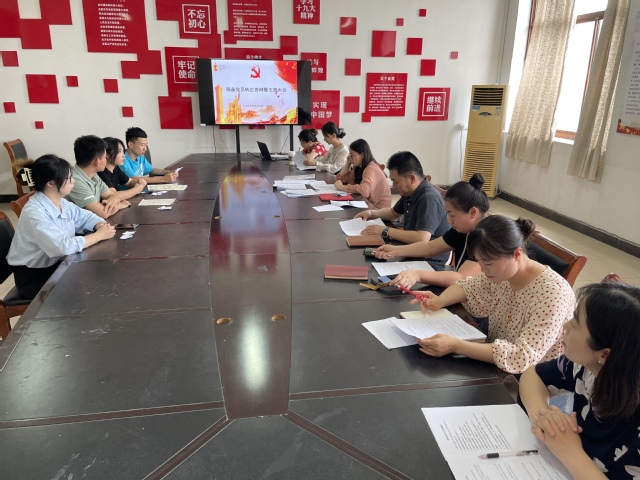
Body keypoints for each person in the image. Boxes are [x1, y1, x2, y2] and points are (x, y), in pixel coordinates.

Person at [409, 215, 575, 373]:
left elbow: (522, 357)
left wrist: (456, 346)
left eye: (488, 263)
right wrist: (440, 300)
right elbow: (468, 287)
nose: (482, 269)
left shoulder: (552, 293)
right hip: (495, 360)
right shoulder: (504, 272)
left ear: (516, 254)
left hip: (533, 378)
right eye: (479, 261)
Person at [520, 283, 640, 479]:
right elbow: (532, 375)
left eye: (575, 323)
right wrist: (542, 416)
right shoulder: (587, 366)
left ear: (604, 354)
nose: (565, 326)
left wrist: (571, 452)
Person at [7, 155, 116, 299]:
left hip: (55, 263)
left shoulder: (60, 202)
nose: (73, 181)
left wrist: (100, 225)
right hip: (34, 277)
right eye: (68, 178)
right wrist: (98, 235)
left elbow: (86, 216)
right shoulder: (35, 213)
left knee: (98, 273)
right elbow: (63, 247)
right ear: (51, 183)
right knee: (91, 286)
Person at [373, 173, 489, 287]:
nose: (449, 221)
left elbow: (462, 278)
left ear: (472, 213)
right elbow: (430, 248)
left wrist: (417, 275)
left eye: (452, 215)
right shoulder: (463, 229)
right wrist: (396, 250)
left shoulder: (487, 236)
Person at [355, 151, 450, 269]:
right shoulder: (410, 192)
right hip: (410, 251)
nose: (394, 185)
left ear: (412, 178)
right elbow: (393, 213)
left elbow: (421, 238)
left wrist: (385, 230)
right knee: (371, 258)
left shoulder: (428, 198)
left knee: (374, 270)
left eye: (396, 181)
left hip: (427, 262)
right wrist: (371, 213)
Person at [66, 135, 131, 218]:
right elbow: (103, 213)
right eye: (105, 158)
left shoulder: (94, 175)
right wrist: (119, 205)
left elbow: (112, 195)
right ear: (97, 161)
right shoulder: (74, 180)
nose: (106, 160)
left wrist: (114, 199)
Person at [334, 139, 391, 209]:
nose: (350, 158)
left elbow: (364, 191)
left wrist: (342, 187)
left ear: (362, 155)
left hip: (379, 210)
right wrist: (348, 163)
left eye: (352, 156)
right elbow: (340, 179)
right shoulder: (360, 168)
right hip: (369, 205)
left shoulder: (371, 168)